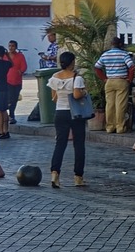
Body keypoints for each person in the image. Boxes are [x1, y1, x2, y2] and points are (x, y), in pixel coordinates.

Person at [48, 51, 88, 188]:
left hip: (60, 113)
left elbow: (54, 98)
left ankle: (55, 173)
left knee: (60, 144)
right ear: (72, 62)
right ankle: (78, 177)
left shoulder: (54, 77)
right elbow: (77, 95)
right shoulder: (77, 77)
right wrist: (84, 92)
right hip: (75, 114)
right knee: (78, 145)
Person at [94, 36, 135, 134]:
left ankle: (109, 127)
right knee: (120, 105)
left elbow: (97, 67)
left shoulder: (105, 55)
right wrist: (129, 79)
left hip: (109, 81)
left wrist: (104, 78)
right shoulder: (124, 54)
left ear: (111, 44)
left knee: (110, 105)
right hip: (121, 81)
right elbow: (132, 67)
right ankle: (120, 127)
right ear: (120, 44)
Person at [6, 40, 27, 124]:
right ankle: (10, 115)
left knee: (14, 99)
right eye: (10, 46)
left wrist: (20, 71)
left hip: (17, 81)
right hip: (7, 81)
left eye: (13, 46)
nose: (11, 48)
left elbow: (24, 66)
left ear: (16, 47)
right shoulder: (5, 56)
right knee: (9, 99)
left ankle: (11, 115)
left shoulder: (20, 56)